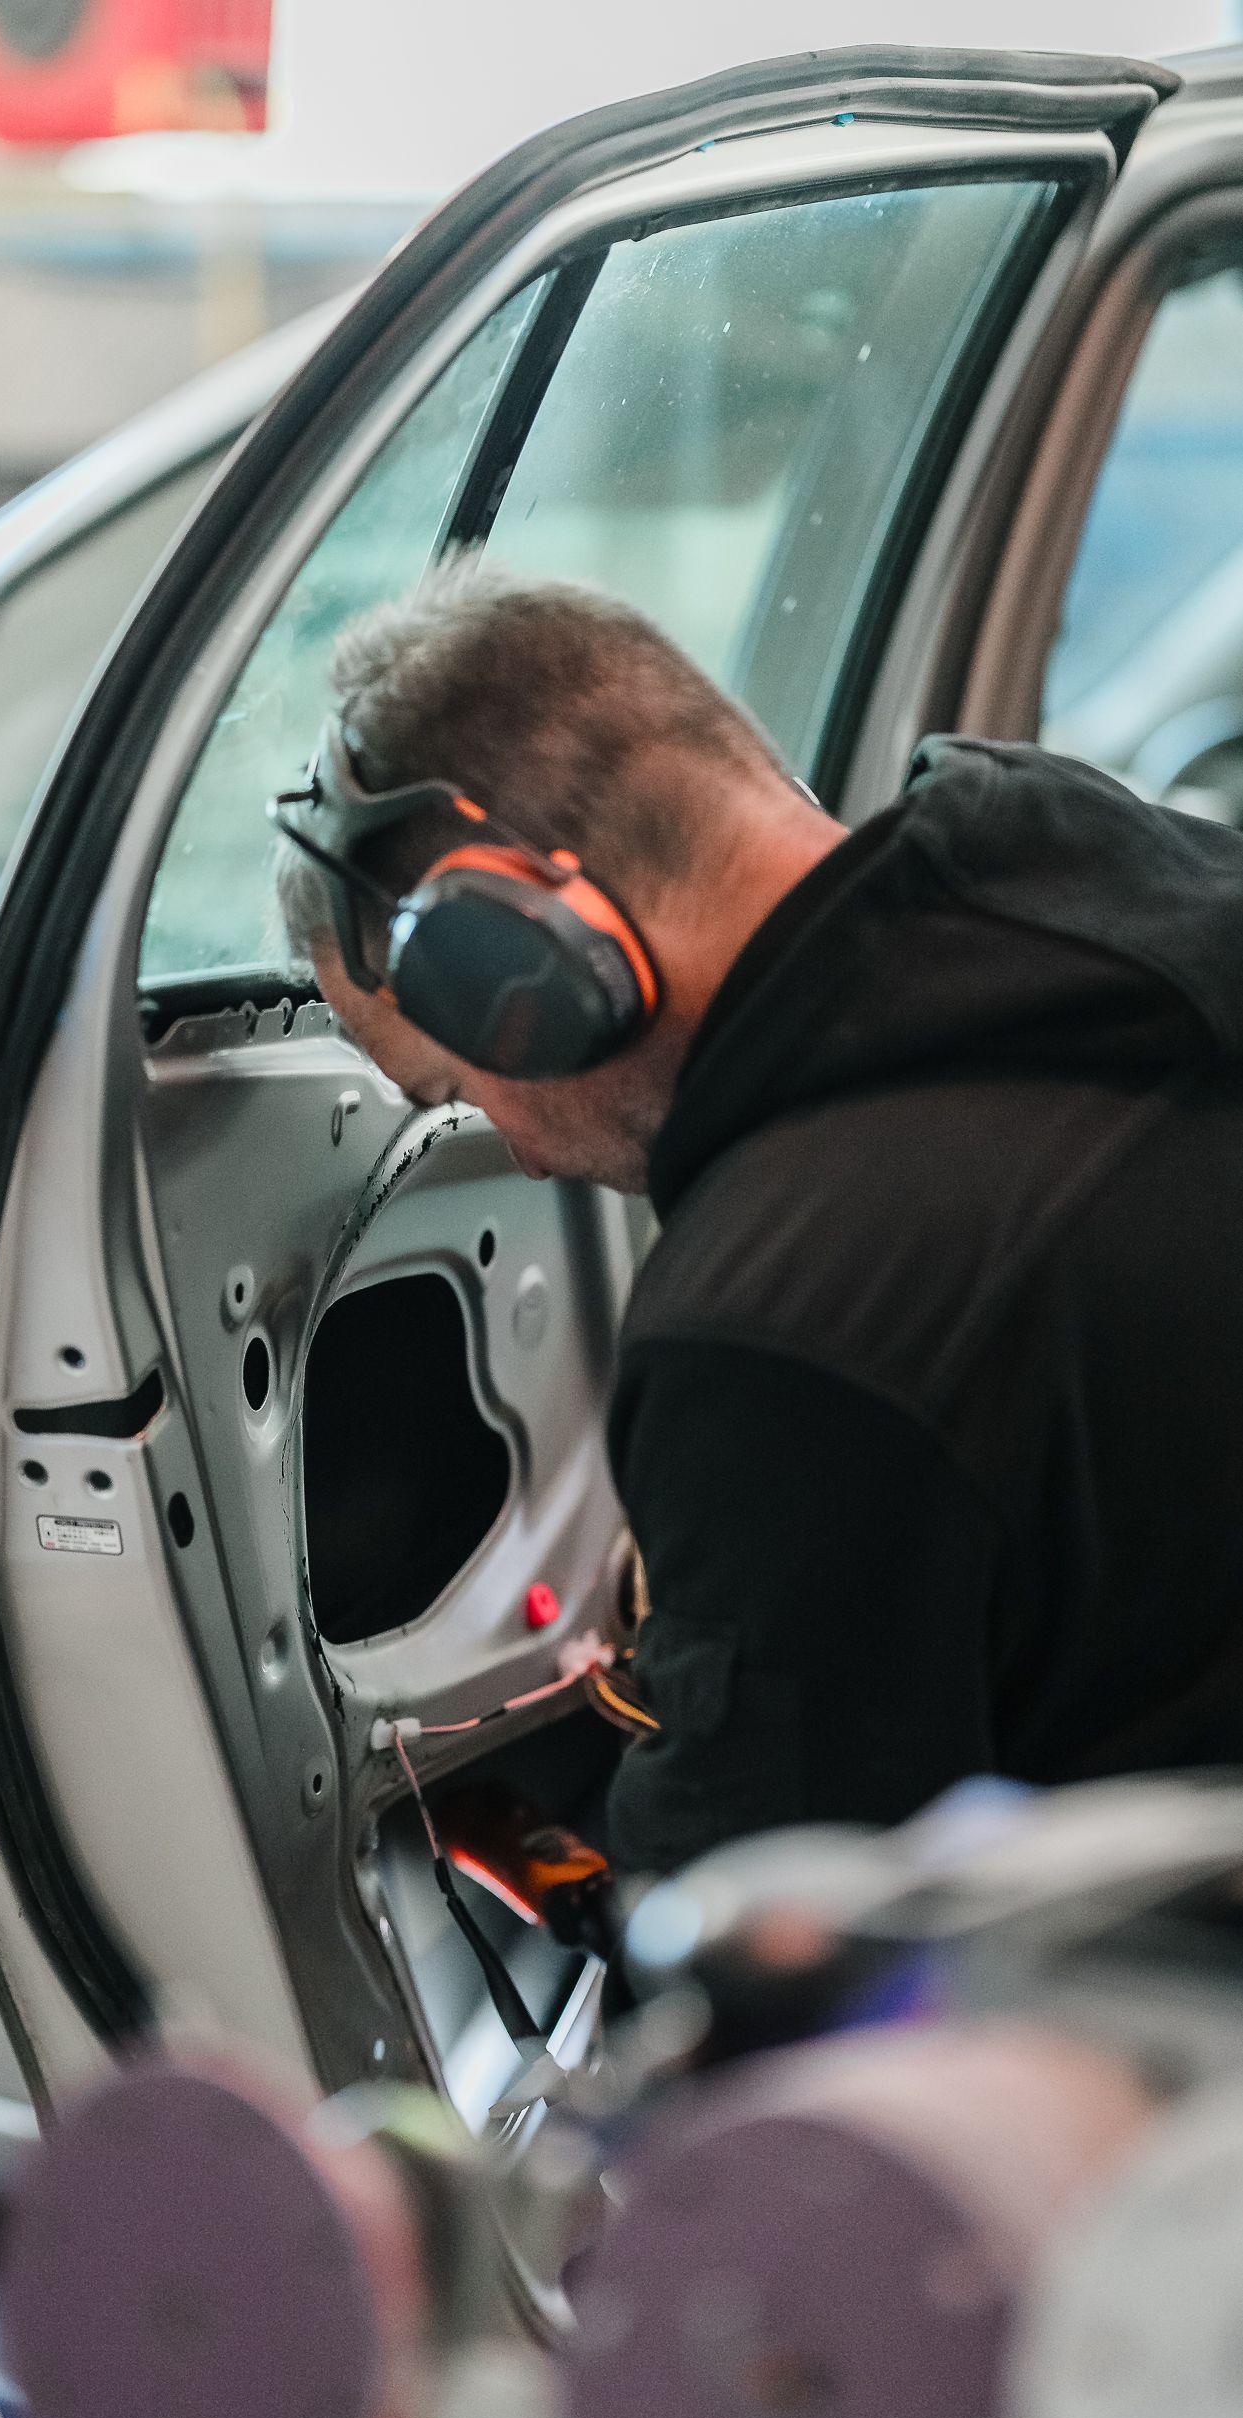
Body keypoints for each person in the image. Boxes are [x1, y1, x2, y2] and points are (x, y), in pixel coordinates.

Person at [272, 558, 1243, 1881]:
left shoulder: (777, 1331)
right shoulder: (1150, 895)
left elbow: (750, 1947)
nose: (510, 1143)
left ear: (529, 962)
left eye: (452, 1078)